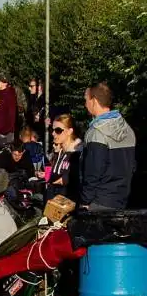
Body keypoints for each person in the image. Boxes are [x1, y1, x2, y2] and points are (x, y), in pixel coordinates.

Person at [81, 82, 136, 210]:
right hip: (122, 199)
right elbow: (132, 166)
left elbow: (93, 172)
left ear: (94, 101)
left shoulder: (97, 132)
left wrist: (85, 201)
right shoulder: (128, 129)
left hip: (98, 202)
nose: (85, 104)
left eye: (86, 100)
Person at [44, 114, 82, 202]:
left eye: (58, 130)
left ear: (69, 131)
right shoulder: (58, 150)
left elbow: (79, 175)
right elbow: (49, 175)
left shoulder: (77, 151)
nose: (53, 133)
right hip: (52, 199)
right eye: (51, 130)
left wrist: (64, 180)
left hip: (67, 201)